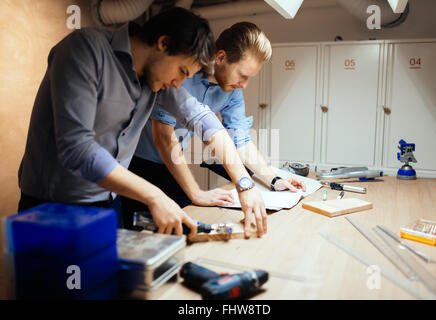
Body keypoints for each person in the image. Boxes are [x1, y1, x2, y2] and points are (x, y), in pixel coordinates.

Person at [17, 8, 266, 240]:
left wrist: (244, 184)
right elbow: (77, 148)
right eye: (181, 71)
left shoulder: (156, 78)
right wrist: (155, 196)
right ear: (163, 43)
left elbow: (201, 118)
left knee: (104, 284)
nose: (179, 84)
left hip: (108, 202)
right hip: (53, 207)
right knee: (53, 286)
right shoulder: (84, 49)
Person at [121, 22, 306, 231]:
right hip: (137, 167)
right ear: (220, 57)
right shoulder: (180, 73)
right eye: (242, 75)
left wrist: (273, 179)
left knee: (187, 228)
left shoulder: (233, 90)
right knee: (137, 234)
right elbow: (164, 139)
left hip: (174, 167)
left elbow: (240, 141)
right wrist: (198, 192)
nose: (245, 84)